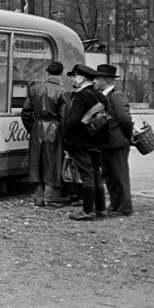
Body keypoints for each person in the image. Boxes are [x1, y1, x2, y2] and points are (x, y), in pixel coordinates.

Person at [63, 64, 108, 221]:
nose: (73, 79)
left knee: (87, 176)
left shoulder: (80, 96)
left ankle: (88, 211)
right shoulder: (100, 96)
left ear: (82, 78)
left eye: (74, 76)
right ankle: (101, 209)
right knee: (96, 174)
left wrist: (65, 135)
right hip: (96, 142)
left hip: (80, 142)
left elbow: (74, 121)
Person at [21, 61, 68, 208]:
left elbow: (26, 113)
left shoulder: (34, 89)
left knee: (37, 164)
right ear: (60, 74)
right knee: (53, 163)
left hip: (37, 128)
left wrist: (32, 129)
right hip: (55, 129)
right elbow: (65, 118)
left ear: (47, 73)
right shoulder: (63, 92)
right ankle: (51, 198)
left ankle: (39, 198)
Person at [94, 64, 134, 217]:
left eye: (98, 78)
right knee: (109, 175)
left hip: (116, 142)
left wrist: (126, 136)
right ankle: (115, 205)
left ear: (105, 80)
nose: (95, 81)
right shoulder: (106, 95)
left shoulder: (116, 95)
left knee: (119, 175)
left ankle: (125, 207)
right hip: (107, 141)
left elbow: (125, 119)